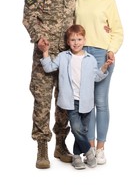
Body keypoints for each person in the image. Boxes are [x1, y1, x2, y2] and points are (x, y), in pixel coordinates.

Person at [22, 0, 79, 169]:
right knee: (43, 100)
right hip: (45, 53)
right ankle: (42, 147)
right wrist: (38, 37)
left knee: (64, 101)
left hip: (68, 54)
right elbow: (28, 13)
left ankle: (60, 144)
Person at [38, 24, 112, 169]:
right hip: (70, 102)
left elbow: (96, 77)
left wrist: (104, 68)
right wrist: (45, 52)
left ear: (84, 40)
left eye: (79, 39)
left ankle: (77, 157)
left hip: (86, 102)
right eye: (73, 40)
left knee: (82, 131)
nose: (76, 42)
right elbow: (49, 68)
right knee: (76, 128)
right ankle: (89, 152)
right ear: (68, 42)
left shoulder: (90, 59)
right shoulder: (63, 57)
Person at [75, 0, 124, 165]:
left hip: (102, 54)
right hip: (81, 55)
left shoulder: (108, 1)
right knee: (86, 104)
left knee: (101, 102)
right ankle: (90, 148)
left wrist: (111, 50)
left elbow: (117, 31)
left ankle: (101, 148)